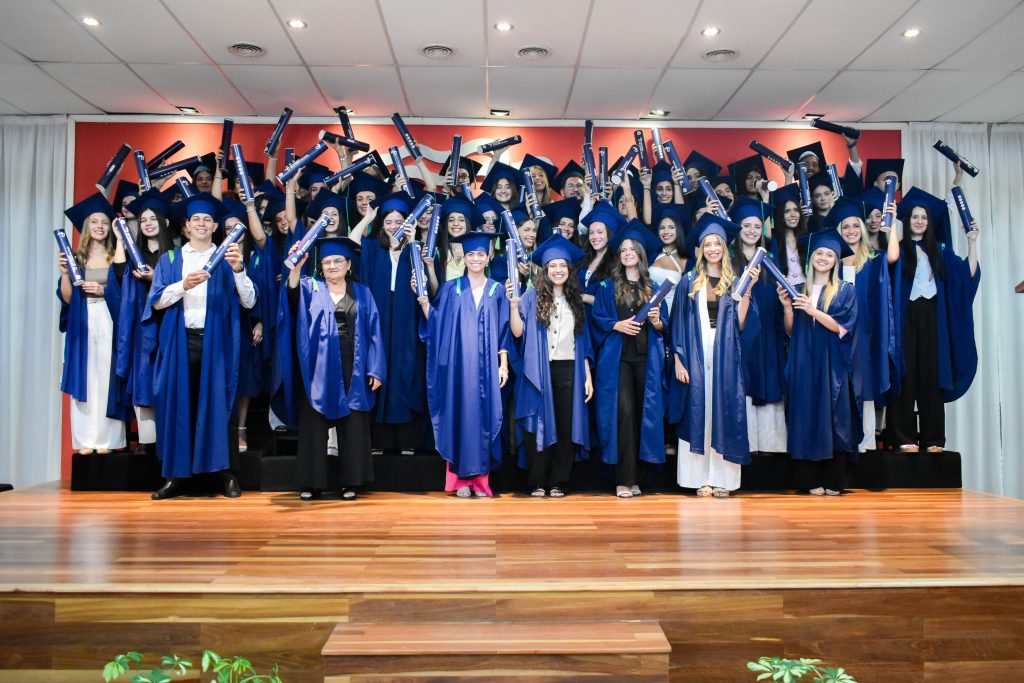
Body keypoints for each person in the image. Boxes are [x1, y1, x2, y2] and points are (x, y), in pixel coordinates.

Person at [143, 193, 257, 500]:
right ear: (186, 227)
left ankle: (227, 474)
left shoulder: (227, 258)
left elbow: (249, 301)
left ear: (215, 226)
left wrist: (238, 270)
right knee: (178, 406)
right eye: (196, 220)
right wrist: (183, 285)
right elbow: (156, 302)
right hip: (180, 342)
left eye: (208, 219)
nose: (202, 224)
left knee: (221, 407)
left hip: (216, 343)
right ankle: (174, 477)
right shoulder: (170, 259)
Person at [279, 236, 385, 500]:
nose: (332, 266)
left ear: (348, 265)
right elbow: (291, 298)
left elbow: (374, 331)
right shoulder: (310, 287)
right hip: (318, 363)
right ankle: (311, 483)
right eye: (327, 262)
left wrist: (375, 369)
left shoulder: (362, 292)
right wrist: (295, 268)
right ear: (321, 266)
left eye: (338, 261)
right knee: (315, 420)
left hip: (354, 361)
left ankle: (350, 482)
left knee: (353, 421)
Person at [417, 231, 513, 497]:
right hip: (458, 369)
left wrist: (503, 365)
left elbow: (504, 330)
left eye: (481, 254)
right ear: (464, 257)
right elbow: (437, 323)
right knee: (459, 416)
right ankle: (459, 481)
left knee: (484, 419)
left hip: (488, 368)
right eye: (471, 254)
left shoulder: (497, 290)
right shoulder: (452, 288)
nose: (476, 259)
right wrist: (424, 303)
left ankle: (481, 482)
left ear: (488, 257)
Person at [670, 214, 758, 496]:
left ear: (724, 247)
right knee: (698, 410)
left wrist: (747, 291)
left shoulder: (735, 281)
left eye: (716, 243)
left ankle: (723, 479)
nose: (712, 249)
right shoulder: (689, 281)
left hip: (725, 352)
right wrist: (678, 360)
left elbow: (740, 325)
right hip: (695, 351)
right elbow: (676, 323)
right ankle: (698, 479)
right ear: (700, 249)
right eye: (707, 244)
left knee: (724, 410)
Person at [888, 187, 980, 453]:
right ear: (907, 220)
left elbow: (966, 275)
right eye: (915, 216)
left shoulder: (940, 251)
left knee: (932, 374)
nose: (919, 221)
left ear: (929, 222)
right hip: (905, 317)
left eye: (924, 217)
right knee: (905, 374)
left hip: (932, 316)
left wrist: (972, 242)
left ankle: (933, 439)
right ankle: (903, 437)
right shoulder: (898, 250)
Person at [508, 235, 594, 497]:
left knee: (566, 427)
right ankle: (536, 480)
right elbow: (518, 332)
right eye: (553, 266)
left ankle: (560, 481)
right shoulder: (531, 297)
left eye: (563, 266)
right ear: (545, 270)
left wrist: (587, 376)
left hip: (570, 370)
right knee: (538, 424)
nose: (558, 270)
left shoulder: (576, 300)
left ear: (569, 270)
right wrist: (513, 306)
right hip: (539, 370)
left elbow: (583, 342)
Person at [348, 192, 430, 454]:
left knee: (407, 372)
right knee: (379, 370)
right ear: (382, 224)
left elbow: (428, 282)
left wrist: (412, 240)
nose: (393, 226)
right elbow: (352, 241)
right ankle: (379, 441)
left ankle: (407, 440)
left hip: (407, 320)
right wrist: (367, 218)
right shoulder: (374, 248)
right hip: (380, 318)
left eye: (399, 221)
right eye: (388, 221)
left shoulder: (415, 249)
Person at [589, 223, 667, 498]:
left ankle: (639, 478)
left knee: (644, 415)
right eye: (623, 250)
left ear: (641, 254)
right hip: (619, 360)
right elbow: (597, 319)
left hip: (647, 360)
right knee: (624, 414)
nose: (627, 253)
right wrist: (616, 325)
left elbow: (664, 326)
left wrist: (657, 321)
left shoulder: (653, 288)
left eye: (632, 249)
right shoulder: (608, 287)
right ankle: (624, 478)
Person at [779, 230, 859, 496]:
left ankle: (833, 479)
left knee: (832, 416)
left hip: (831, 362)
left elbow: (843, 328)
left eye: (829, 255)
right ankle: (809, 479)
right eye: (819, 253)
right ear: (811, 257)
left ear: (836, 261)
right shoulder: (799, 289)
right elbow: (791, 331)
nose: (823, 258)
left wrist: (814, 310)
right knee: (805, 416)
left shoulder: (845, 290)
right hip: (803, 361)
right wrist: (787, 307)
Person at [58, 192, 128, 455]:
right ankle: (86, 439)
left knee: (107, 375)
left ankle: (108, 440)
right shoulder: (75, 258)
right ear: (86, 226)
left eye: (104, 222)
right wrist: (65, 275)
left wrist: (103, 291)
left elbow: (124, 291)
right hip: (83, 319)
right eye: (95, 221)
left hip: (109, 317)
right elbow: (67, 298)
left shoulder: (114, 256)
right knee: (86, 375)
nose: (100, 226)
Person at [829, 196, 900, 453]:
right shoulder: (832, 261)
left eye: (855, 226)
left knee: (865, 385)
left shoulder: (872, 258)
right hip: (838, 332)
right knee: (841, 385)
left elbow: (893, 256)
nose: (851, 231)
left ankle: (866, 441)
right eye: (845, 227)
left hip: (865, 332)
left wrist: (892, 224)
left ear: (862, 228)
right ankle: (841, 440)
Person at [114, 190, 176, 455]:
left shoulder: (174, 255)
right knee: (143, 379)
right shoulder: (135, 255)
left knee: (167, 381)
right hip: (142, 326)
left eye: (153, 218)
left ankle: (168, 439)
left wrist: (155, 280)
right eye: (143, 220)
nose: (148, 223)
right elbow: (119, 275)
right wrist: (120, 239)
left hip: (168, 324)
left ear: (165, 222)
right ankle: (147, 440)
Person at [729, 196, 788, 455]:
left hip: (768, 329)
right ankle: (748, 443)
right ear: (738, 228)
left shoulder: (770, 258)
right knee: (746, 380)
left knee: (769, 377)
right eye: (746, 226)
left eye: (756, 226)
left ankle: (771, 445)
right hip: (742, 331)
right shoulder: (730, 258)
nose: (752, 231)